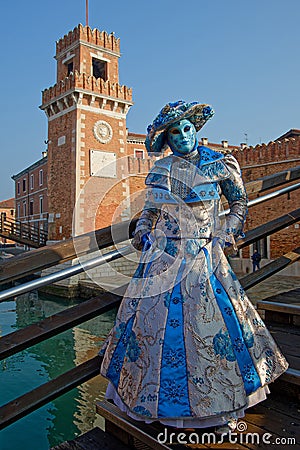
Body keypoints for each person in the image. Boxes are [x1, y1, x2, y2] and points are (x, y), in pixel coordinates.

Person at [100, 101, 288, 433]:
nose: (184, 136)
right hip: (162, 258)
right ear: (167, 139)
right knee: (154, 334)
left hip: (203, 255)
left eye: (188, 129)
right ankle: (154, 403)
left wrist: (226, 230)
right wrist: (143, 230)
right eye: (176, 131)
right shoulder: (161, 171)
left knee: (209, 329)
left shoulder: (220, 164)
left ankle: (215, 406)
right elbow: (150, 212)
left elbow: (239, 203)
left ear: (196, 130)